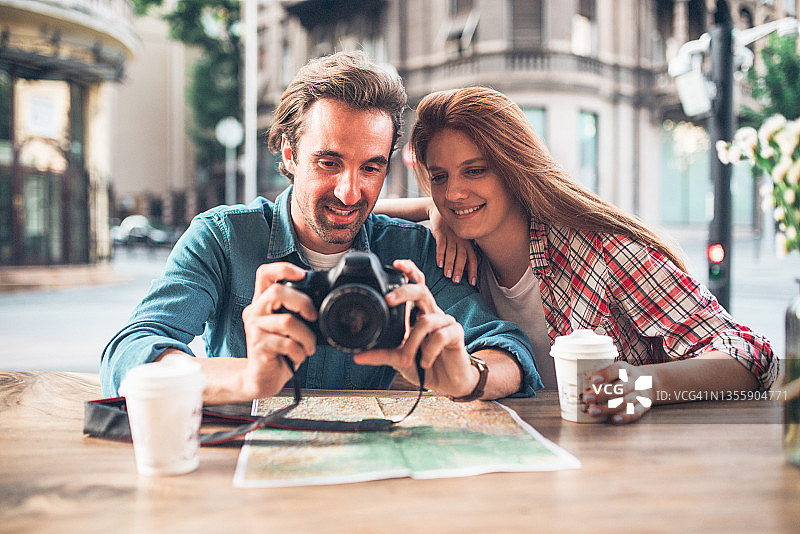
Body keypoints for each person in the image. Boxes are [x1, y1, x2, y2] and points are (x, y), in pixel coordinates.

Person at [100, 54, 540, 405]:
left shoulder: (412, 251)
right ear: (290, 154)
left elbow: (510, 351)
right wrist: (247, 377)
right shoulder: (224, 239)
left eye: (371, 167)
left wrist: (467, 375)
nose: (350, 193)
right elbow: (131, 352)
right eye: (329, 163)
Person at [378, 86, 777, 424]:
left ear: (515, 168)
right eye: (440, 177)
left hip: (629, 457)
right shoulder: (453, 253)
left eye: (476, 171)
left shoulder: (601, 250)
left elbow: (752, 356)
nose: (453, 194)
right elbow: (357, 212)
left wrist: (642, 384)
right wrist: (430, 209)